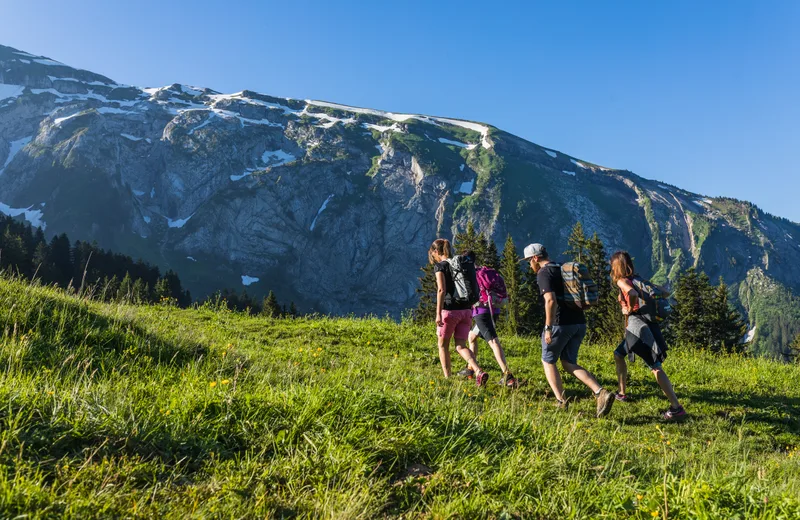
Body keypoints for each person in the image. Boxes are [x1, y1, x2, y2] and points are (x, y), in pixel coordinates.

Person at [523, 243, 615, 417]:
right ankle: (600, 392)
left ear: (535, 258)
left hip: (560, 324)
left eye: (529, 260)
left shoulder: (544, 273)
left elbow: (550, 300)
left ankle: (561, 401)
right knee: (568, 362)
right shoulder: (561, 268)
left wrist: (548, 327)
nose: (529, 264)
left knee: (548, 360)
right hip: (578, 322)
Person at [610, 251, 687, 421]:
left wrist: (629, 309)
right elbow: (664, 293)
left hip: (639, 329)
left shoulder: (623, 281)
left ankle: (676, 408)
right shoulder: (638, 279)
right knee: (619, 354)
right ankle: (622, 393)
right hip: (649, 325)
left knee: (655, 367)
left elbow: (632, 294)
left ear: (616, 267)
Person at [429, 239, 489, 386]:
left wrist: (438, 313)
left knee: (443, 346)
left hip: (449, 311)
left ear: (437, 252)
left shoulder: (440, 266)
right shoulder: (459, 264)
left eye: (433, 253)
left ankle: (447, 378)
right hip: (466, 311)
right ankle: (478, 371)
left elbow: (441, 290)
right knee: (461, 345)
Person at [457, 262, 517, 388]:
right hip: (494, 309)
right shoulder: (485, 272)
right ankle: (470, 369)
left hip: (481, 313)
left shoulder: (471, 275)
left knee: (493, 342)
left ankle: (507, 376)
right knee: (472, 337)